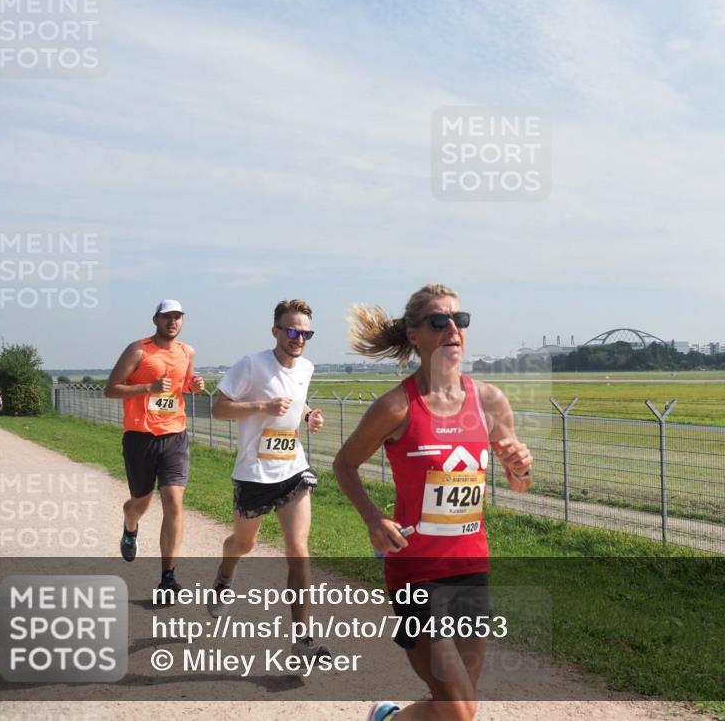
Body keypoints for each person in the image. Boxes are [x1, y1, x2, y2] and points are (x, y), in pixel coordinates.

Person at [331, 284, 533, 721]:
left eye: (459, 320)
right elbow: (344, 465)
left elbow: (520, 485)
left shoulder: (489, 400)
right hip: (416, 572)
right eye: (438, 322)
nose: (453, 330)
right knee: (459, 710)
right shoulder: (397, 406)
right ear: (414, 335)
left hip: (470, 566)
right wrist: (373, 519)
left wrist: (520, 466)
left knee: (456, 710)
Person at [208, 298, 330, 659]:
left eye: (306, 333)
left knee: (298, 549)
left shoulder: (306, 367)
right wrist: (261, 407)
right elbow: (217, 407)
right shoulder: (251, 365)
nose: (299, 338)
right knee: (243, 545)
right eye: (292, 331)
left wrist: (308, 416)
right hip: (254, 474)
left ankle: (301, 640)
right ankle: (225, 575)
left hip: (293, 468)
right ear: (275, 330)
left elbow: (295, 401)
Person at [104, 299, 204, 592]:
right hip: (140, 438)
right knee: (140, 504)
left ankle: (168, 578)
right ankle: (129, 525)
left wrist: (192, 387)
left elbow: (182, 385)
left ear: (182, 320)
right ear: (155, 319)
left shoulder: (188, 352)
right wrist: (147, 387)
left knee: (174, 502)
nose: (172, 321)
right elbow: (111, 389)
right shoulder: (138, 350)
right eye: (167, 317)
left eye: (177, 317)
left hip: (174, 435)